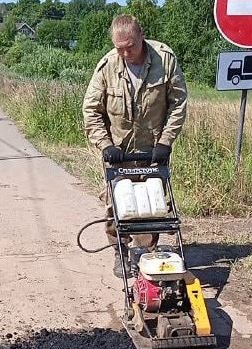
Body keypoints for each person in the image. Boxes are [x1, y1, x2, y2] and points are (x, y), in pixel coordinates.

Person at [82, 14, 187, 278]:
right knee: (116, 205)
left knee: (154, 203)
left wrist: (165, 142)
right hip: (119, 152)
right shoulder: (107, 66)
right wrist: (105, 145)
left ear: (142, 36)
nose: (126, 52)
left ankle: (149, 252)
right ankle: (120, 250)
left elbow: (178, 104)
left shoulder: (164, 60)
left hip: (153, 150)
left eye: (130, 46)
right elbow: (91, 110)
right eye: (120, 48)